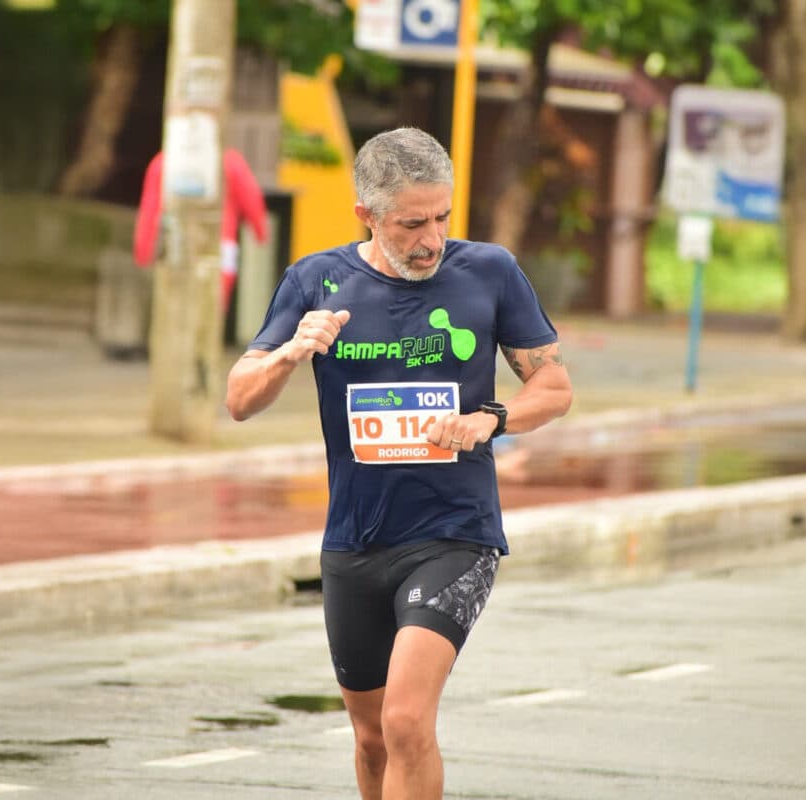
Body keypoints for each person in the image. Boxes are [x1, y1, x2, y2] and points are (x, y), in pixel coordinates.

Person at [226, 126, 572, 800]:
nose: (432, 239)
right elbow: (239, 400)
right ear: (367, 214)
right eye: (413, 224)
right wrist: (290, 353)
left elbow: (554, 387)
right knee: (372, 738)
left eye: (442, 217)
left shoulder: (490, 272)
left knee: (407, 721)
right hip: (355, 541)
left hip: (455, 534)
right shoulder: (316, 281)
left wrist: (491, 419)